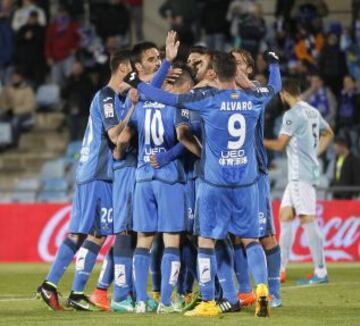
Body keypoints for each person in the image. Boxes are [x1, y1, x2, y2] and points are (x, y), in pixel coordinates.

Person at [125, 50, 282, 317]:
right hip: (246, 182)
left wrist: (135, 82)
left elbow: (165, 97)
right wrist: (275, 63)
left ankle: (208, 300)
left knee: (207, 241)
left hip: (214, 183)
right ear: (237, 73)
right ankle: (263, 290)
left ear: (215, 73)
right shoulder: (254, 97)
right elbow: (275, 86)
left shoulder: (207, 99)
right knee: (251, 239)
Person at [36, 50, 133, 311]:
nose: (133, 81)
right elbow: (114, 134)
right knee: (80, 231)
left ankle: (77, 292)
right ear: (122, 68)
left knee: (98, 233)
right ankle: (49, 284)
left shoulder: (115, 98)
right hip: (96, 173)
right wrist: (134, 107)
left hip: (103, 174)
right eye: (131, 73)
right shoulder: (107, 97)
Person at [116, 67, 199, 314]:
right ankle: (165, 301)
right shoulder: (177, 106)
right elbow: (184, 138)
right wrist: (171, 156)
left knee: (143, 241)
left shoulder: (140, 105)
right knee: (171, 241)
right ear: (173, 86)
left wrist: (120, 154)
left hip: (142, 179)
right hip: (169, 178)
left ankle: (141, 301)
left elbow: (122, 139)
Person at [264, 78, 334, 286]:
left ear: (284, 94)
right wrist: (314, 152)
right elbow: (328, 133)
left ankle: (320, 271)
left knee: (307, 220)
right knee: (285, 215)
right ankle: (281, 269)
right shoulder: (312, 111)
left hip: (299, 176)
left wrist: (256, 140)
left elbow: (279, 145)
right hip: (303, 173)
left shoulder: (292, 115)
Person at [230, 48, 282, 308]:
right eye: (231, 63)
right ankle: (244, 291)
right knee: (235, 236)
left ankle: (273, 292)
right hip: (228, 175)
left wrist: (273, 64)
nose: (234, 67)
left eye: (239, 63)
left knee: (264, 235)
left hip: (255, 173)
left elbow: (274, 86)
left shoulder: (255, 91)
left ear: (249, 68)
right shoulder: (220, 91)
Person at [45, 5, 80, 87]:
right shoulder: (52, 26)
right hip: (55, 58)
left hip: (68, 56)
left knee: (70, 79)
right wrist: (48, 56)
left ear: (67, 13)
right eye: (60, 12)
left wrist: (75, 48)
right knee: (56, 82)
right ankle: (59, 99)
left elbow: (81, 38)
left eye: (64, 12)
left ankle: (70, 98)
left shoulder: (72, 25)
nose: (62, 14)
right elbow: (48, 42)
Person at [0, 68, 35, 145]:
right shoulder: (7, 88)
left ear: (21, 78)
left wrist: (14, 111)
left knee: (15, 121)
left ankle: (13, 142)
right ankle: (2, 141)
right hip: (9, 112)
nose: (14, 79)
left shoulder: (27, 90)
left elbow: (29, 106)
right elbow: (2, 102)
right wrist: (7, 109)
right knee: (2, 119)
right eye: (13, 77)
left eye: (16, 77)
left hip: (24, 114)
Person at [14, 10, 46, 87]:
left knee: (38, 84)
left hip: (37, 62)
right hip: (24, 61)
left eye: (34, 18)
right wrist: (25, 37)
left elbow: (43, 42)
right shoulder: (23, 28)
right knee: (24, 83)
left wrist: (33, 36)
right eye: (31, 17)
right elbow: (17, 41)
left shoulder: (41, 29)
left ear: (37, 18)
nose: (32, 19)